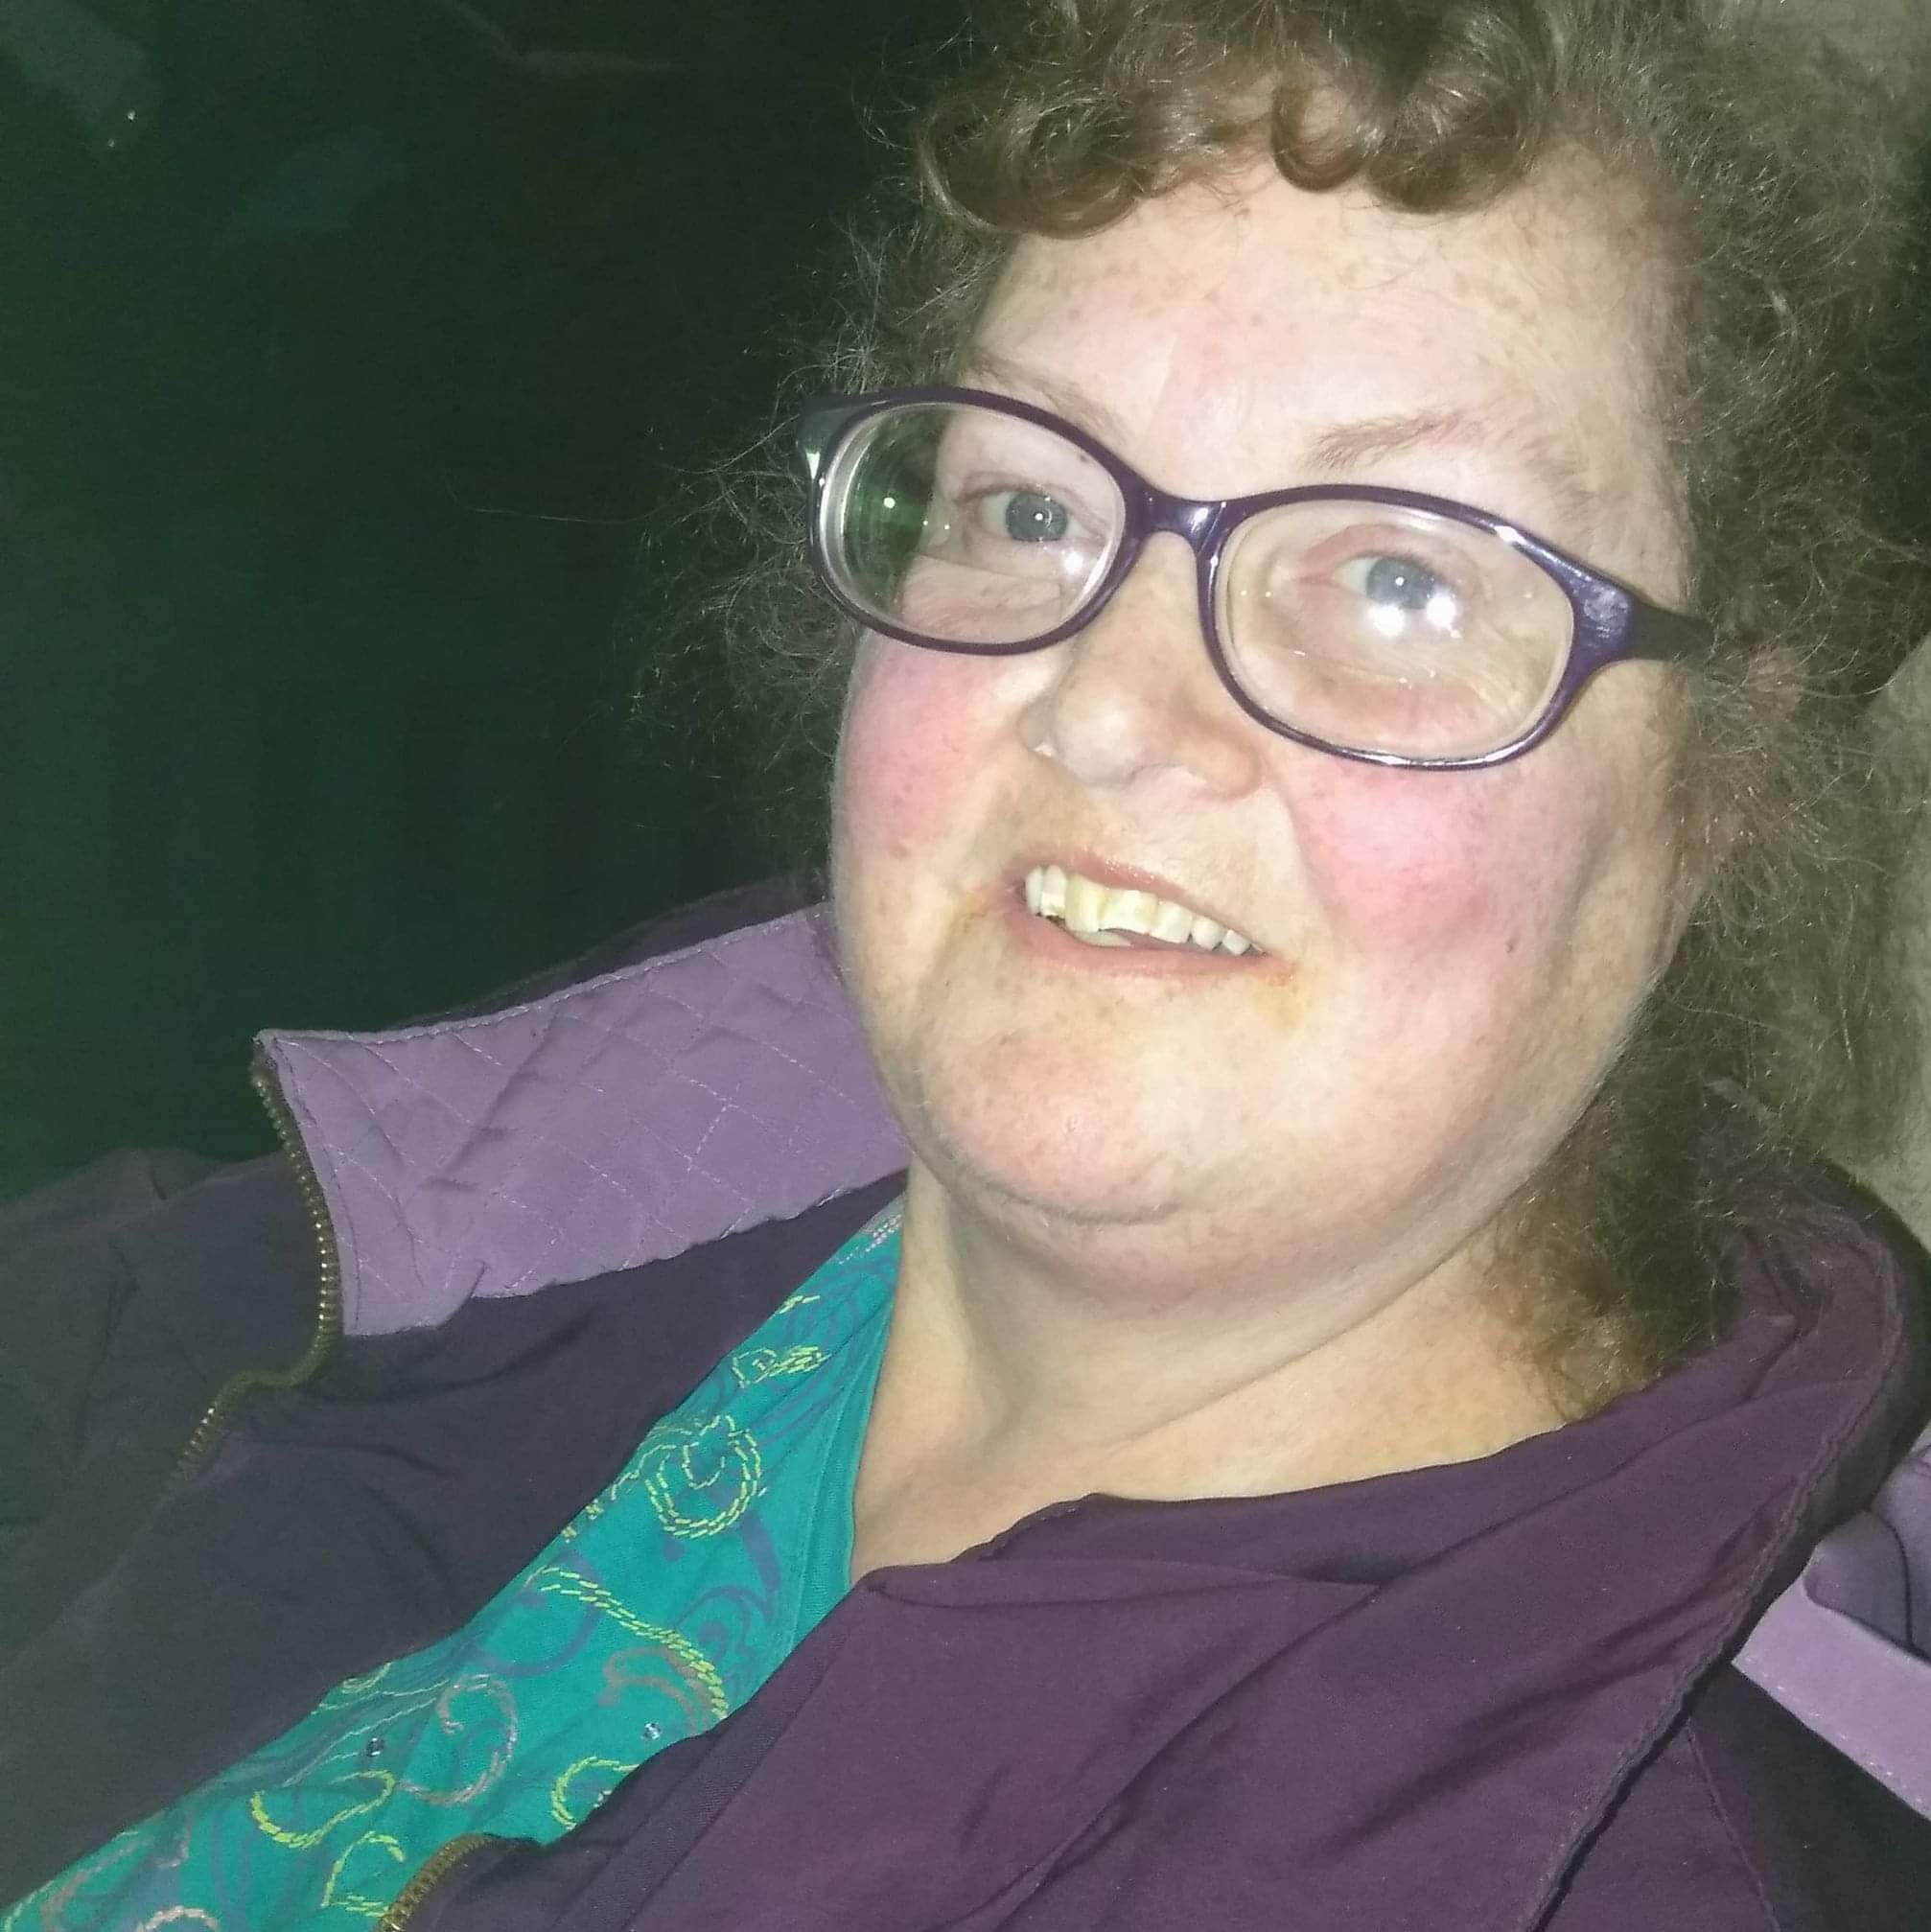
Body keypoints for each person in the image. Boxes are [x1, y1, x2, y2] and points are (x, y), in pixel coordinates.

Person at [4, 0, 1930, 1925]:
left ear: (1716, 795)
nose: (1106, 709)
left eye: (1400, 576)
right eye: (1028, 504)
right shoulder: (642, 1125)